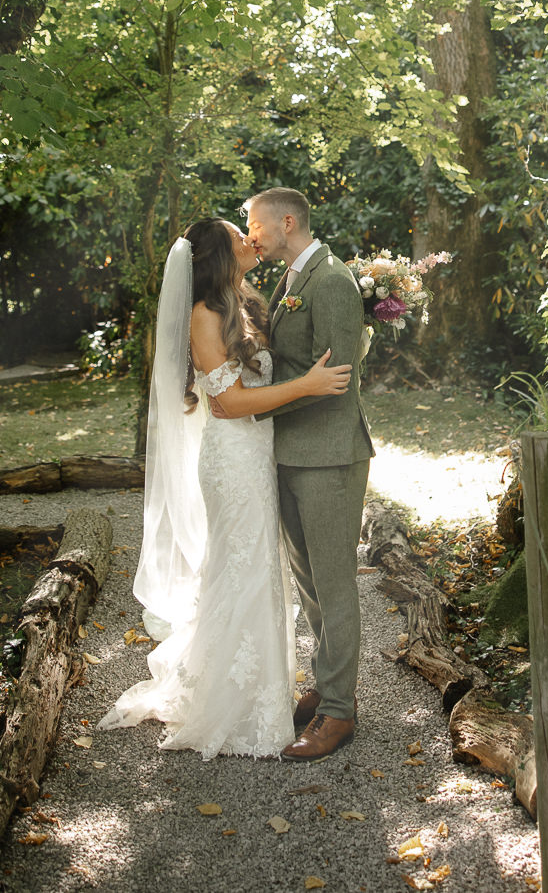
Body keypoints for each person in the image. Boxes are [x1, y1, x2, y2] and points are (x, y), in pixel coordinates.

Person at [97, 218, 351, 759]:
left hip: (261, 454)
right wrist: (304, 387)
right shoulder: (203, 315)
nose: (250, 240)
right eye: (241, 235)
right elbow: (226, 403)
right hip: (232, 458)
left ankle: (264, 691)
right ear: (219, 253)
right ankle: (232, 703)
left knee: (263, 568)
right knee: (244, 565)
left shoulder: (249, 300)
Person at [245, 188, 373, 762]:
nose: (252, 234)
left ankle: (340, 714)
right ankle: (326, 685)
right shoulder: (292, 277)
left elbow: (335, 377)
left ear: (287, 221)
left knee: (334, 581)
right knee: (309, 583)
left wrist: (259, 406)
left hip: (330, 455)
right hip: (290, 452)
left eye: (256, 224)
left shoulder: (333, 280)